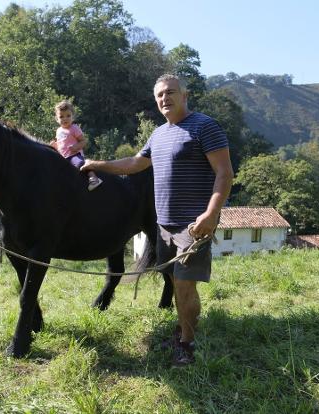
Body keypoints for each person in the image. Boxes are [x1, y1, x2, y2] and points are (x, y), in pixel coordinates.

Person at [81, 74, 233, 366]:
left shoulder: (205, 127)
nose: (165, 98)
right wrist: (98, 165)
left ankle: (187, 344)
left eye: (171, 92)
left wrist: (211, 214)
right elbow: (136, 164)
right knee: (176, 283)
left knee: (185, 285)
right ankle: (183, 330)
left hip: (193, 225)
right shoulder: (159, 134)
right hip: (164, 226)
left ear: (184, 95)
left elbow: (225, 173)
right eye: (160, 95)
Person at [50, 100, 102, 191]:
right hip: (63, 157)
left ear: (73, 117)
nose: (65, 119)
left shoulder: (74, 128)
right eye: (61, 116)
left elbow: (83, 141)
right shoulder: (58, 131)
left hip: (74, 155)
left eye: (68, 116)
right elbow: (61, 145)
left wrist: (76, 147)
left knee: (80, 164)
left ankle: (93, 178)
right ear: (57, 119)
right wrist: (55, 146)